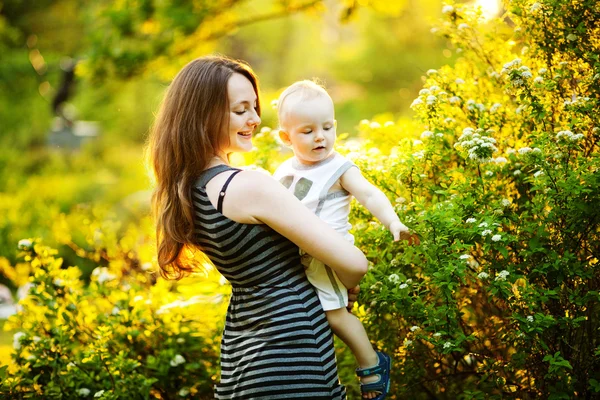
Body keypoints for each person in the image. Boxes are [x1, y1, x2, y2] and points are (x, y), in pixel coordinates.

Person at [148, 55, 368, 400]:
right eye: (240, 110)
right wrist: (346, 285)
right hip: (291, 350)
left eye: (254, 107)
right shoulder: (249, 186)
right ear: (203, 114)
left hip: (244, 350)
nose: (254, 120)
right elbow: (354, 263)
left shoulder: (191, 189)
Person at [273, 80, 419, 400]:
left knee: (334, 315)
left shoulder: (338, 167)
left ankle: (372, 363)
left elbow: (368, 193)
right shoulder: (284, 172)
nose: (320, 136)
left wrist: (393, 221)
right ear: (286, 137)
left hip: (327, 251)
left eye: (327, 127)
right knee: (312, 314)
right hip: (299, 256)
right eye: (308, 131)